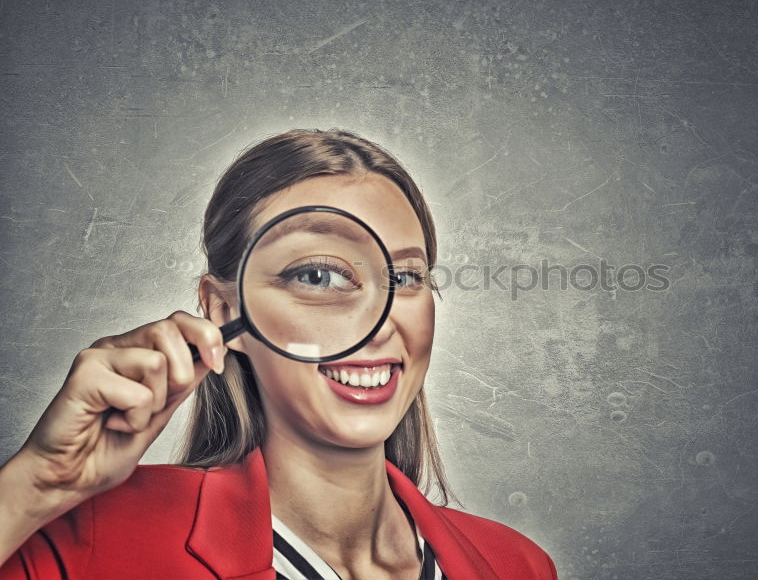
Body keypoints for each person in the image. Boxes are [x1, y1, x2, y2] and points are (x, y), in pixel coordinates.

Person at [0, 129, 558, 579]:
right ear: (222, 312)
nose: (380, 321)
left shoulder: (517, 565)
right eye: (318, 275)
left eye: (405, 276)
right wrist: (38, 482)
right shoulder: (94, 541)